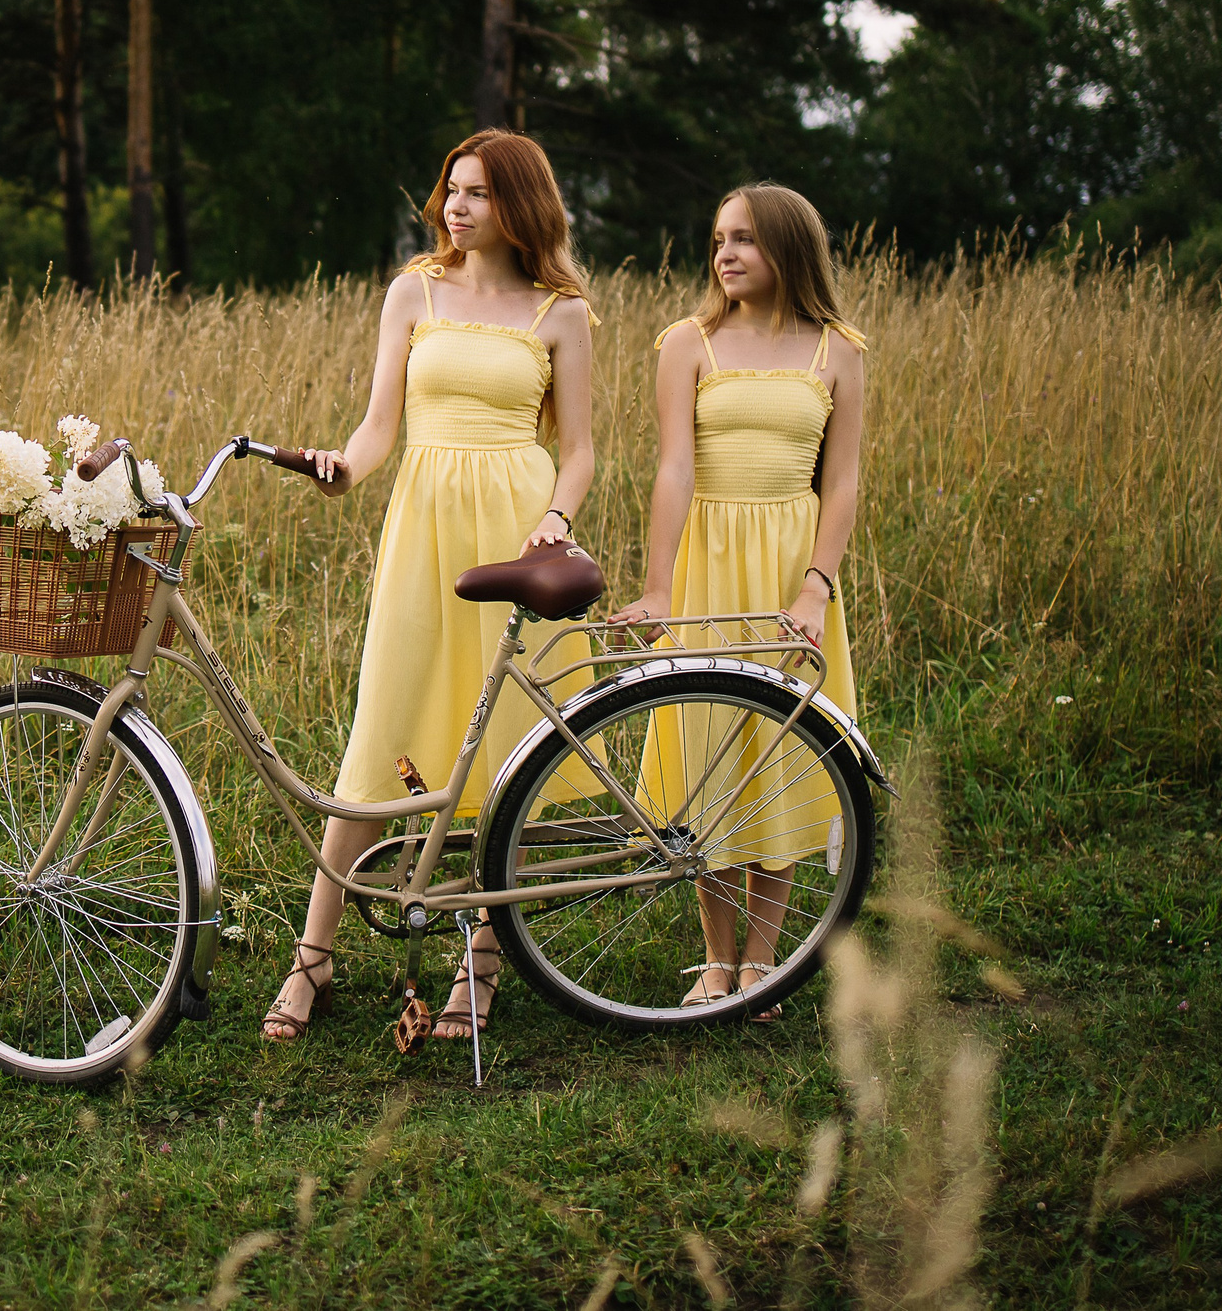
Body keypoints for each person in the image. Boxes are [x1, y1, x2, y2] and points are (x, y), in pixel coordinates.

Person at [262, 128, 597, 1043]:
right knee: (383, 732)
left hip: (517, 527)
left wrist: (558, 519)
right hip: (423, 531)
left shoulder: (560, 311)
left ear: (519, 203)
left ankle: (480, 965)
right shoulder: (414, 289)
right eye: (453, 189)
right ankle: (312, 959)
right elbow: (378, 426)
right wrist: (345, 469)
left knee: (503, 754)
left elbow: (580, 452)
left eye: (480, 192)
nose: (457, 205)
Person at [608, 183, 866, 1019]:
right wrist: (657, 586)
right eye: (719, 238)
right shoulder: (688, 343)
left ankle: (764, 961)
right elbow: (674, 468)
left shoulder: (838, 349)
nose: (725, 253)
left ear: (788, 247)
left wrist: (817, 586)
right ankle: (716, 958)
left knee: (780, 756)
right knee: (708, 760)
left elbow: (843, 479)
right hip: (708, 565)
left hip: (791, 571)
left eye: (746, 239)